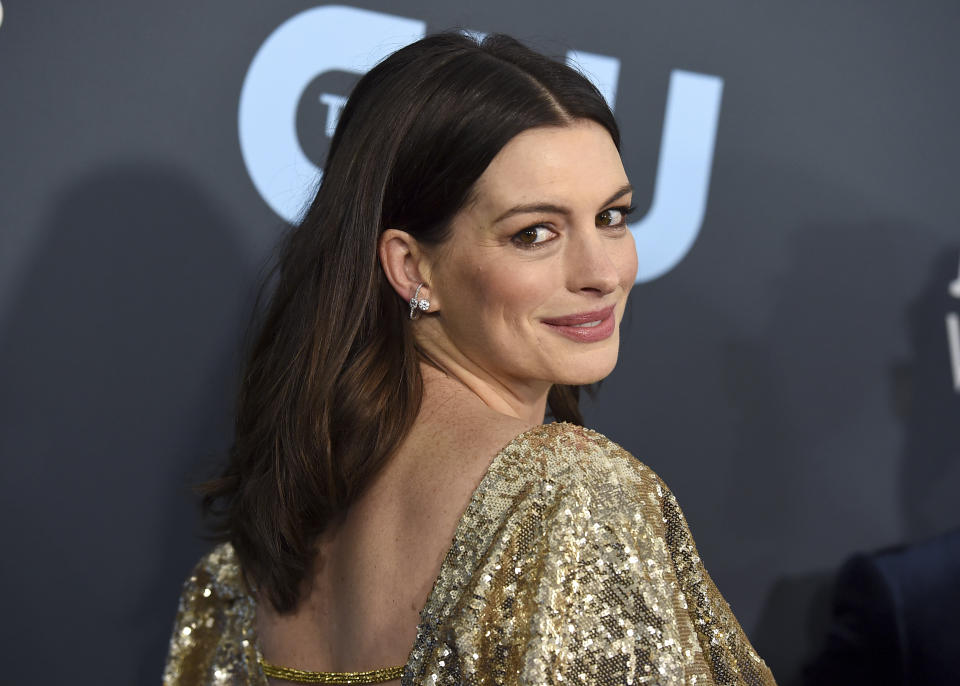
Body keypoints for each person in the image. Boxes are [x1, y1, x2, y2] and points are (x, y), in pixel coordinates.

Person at [163, 32, 776, 686]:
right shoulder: (568, 492)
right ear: (411, 265)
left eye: (613, 217)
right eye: (534, 233)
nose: (602, 272)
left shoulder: (246, 567)